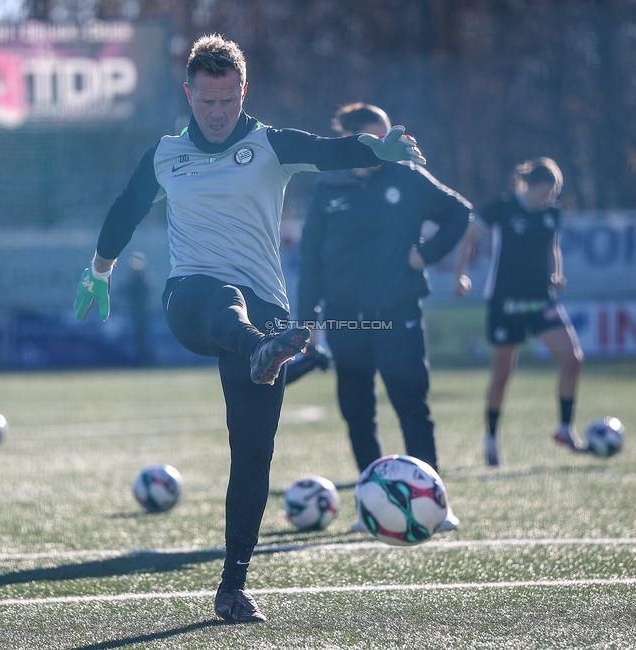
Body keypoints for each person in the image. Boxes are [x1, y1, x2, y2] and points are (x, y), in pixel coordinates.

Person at [72, 35, 426, 624]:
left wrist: (379, 150)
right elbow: (125, 209)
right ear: (189, 93)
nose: (217, 113)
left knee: (254, 454)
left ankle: (233, 585)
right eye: (205, 101)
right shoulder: (164, 154)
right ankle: (258, 347)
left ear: (243, 93)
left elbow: (332, 151)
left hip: (267, 315)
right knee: (221, 298)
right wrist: (98, 271)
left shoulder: (269, 144)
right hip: (192, 301)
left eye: (228, 101)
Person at [297, 103, 472, 532]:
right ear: (355, 142)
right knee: (357, 412)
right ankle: (369, 507)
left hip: (398, 314)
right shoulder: (326, 188)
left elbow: (459, 212)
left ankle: (436, 505)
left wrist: (426, 255)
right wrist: (307, 326)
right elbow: (311, 261)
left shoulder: (406, 176)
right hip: (345, 319)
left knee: (411, 403)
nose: (391, 144)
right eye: (380, 138)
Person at [452, 157, 583, 466]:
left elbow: (552, 246)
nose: (549, 198)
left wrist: (557, 273)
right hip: (504, 303)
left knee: (572, 358)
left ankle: (565, 427)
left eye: (554, 192)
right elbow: (470, 236)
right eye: (546, 191)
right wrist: (460, 274)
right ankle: (492, 438)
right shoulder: (503, 206)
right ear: (532, 185)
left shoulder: (552, 213)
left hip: (541, 302)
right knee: (502, 374)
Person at [123, 252, 153, 365]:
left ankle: (148, 360)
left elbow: (133, 292)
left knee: (141, 337)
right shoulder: (137, 278)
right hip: (137, 312)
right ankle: (143, 360)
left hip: (142, 313)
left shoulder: (141, 278)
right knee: (138, 337)